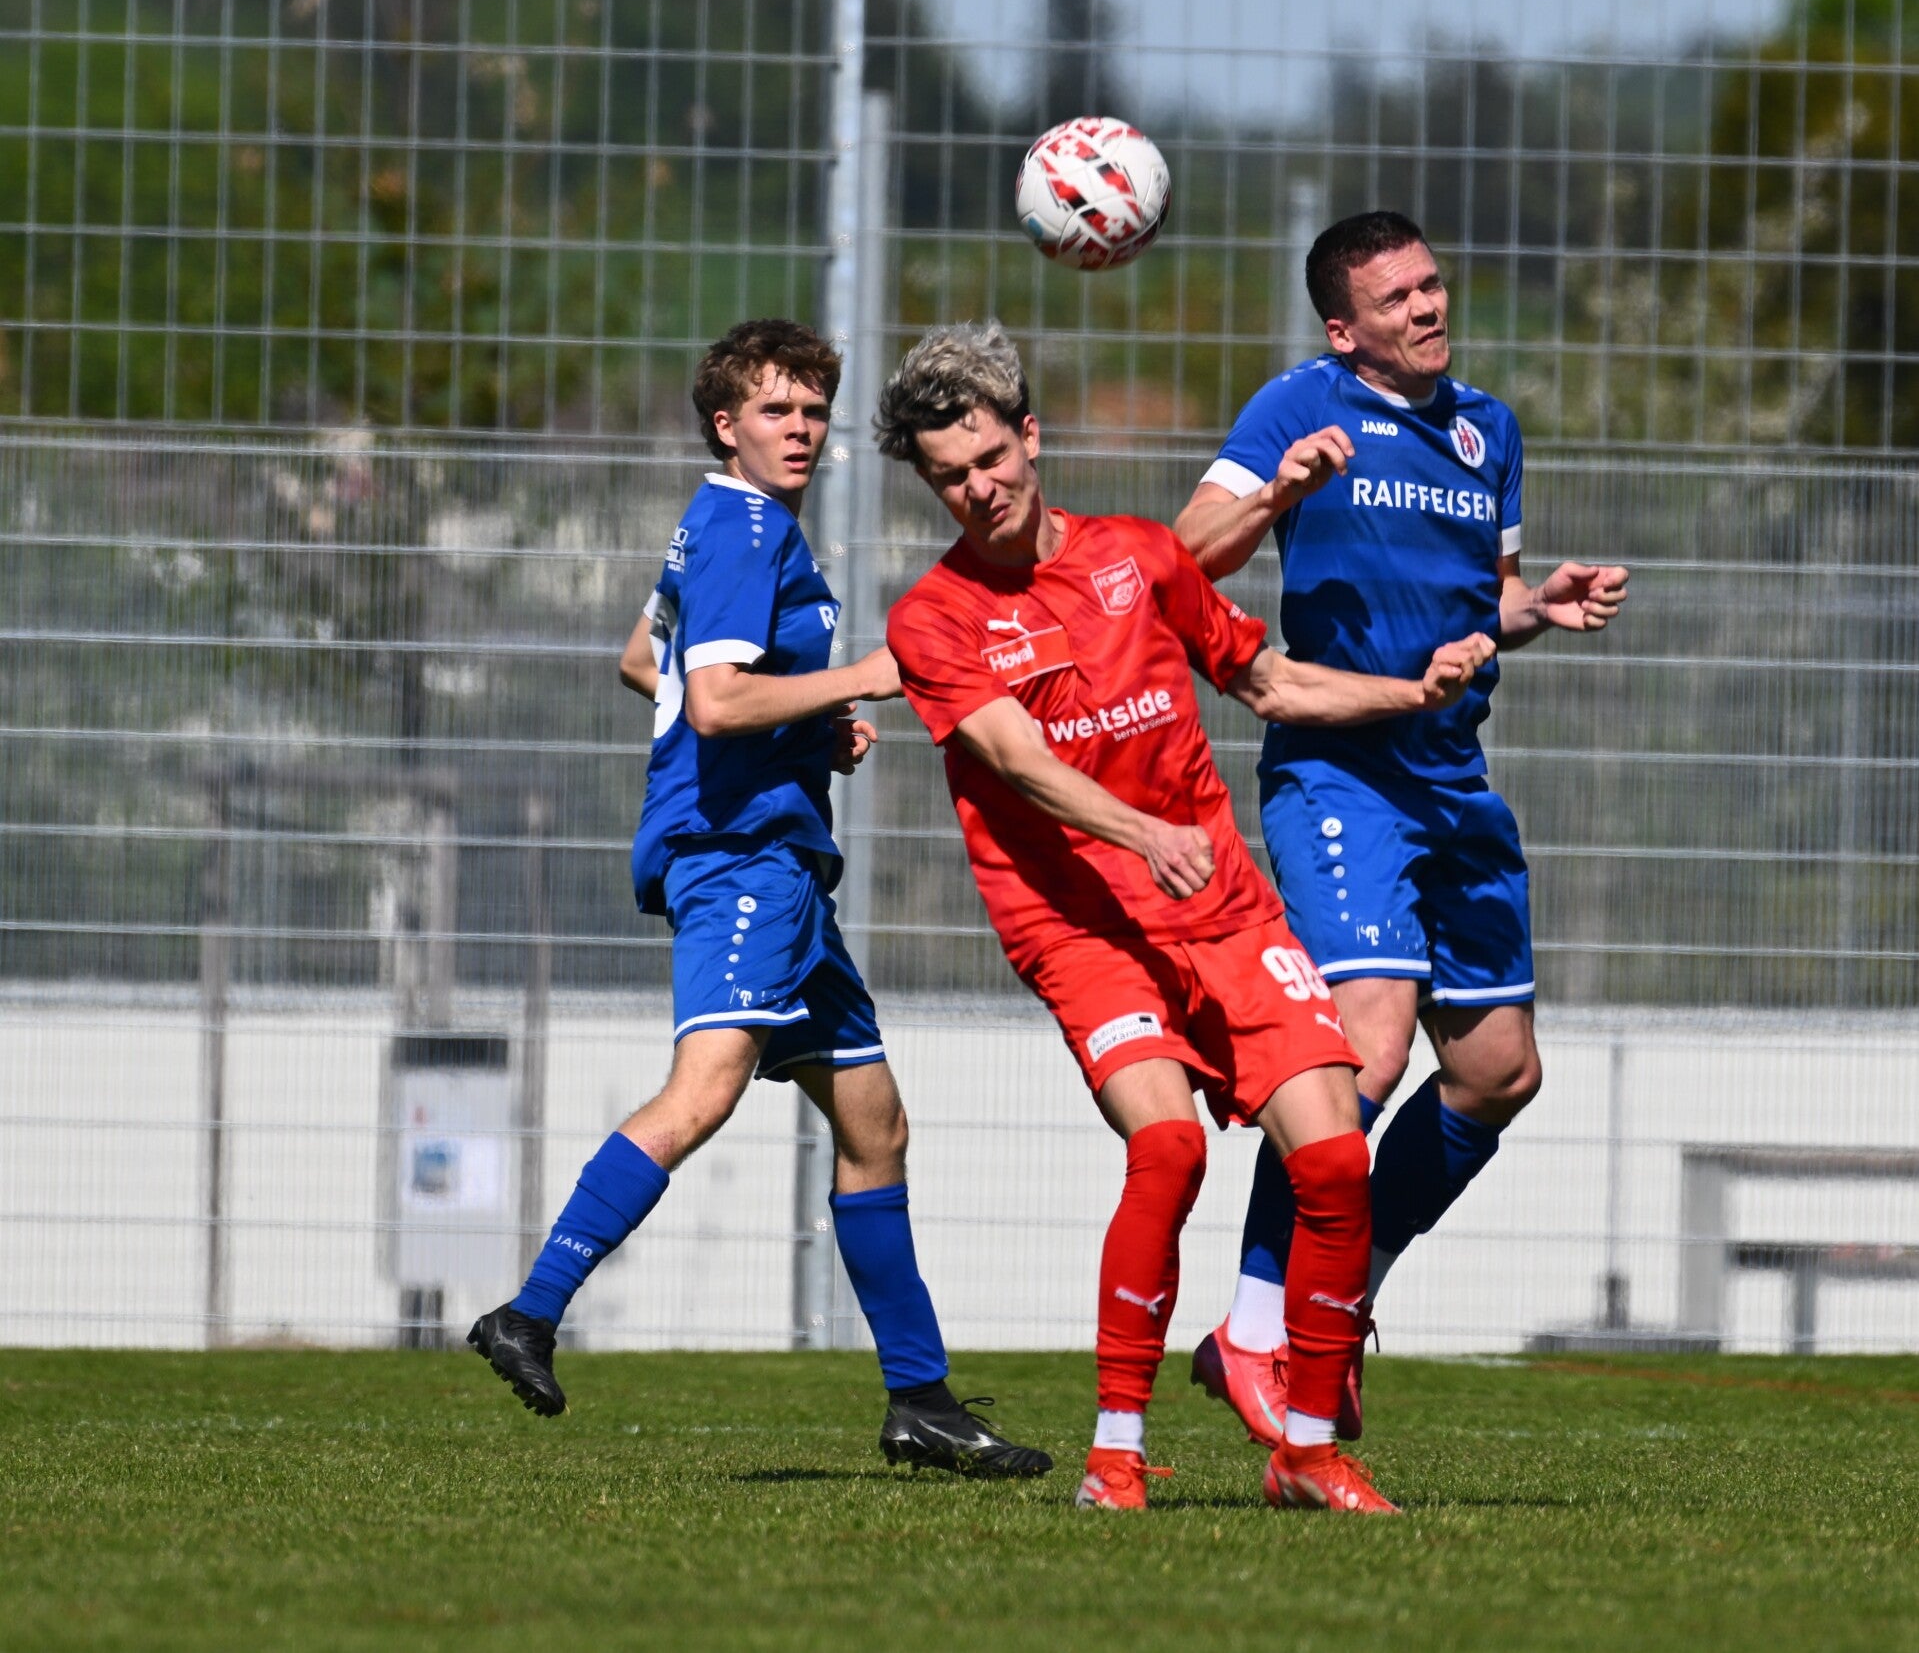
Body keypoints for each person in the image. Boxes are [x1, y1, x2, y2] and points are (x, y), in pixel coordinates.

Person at [875, 321, 1496, 1514]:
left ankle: (1304, 1453)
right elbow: (1016, 763)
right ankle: (1115, 1454)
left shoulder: (1140, 557)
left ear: (1029, 437)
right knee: (1166, 1149)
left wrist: (1408, 694)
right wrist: (1141, 832)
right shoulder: (933, 620)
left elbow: (1267, 682)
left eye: (990, 458)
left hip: (1217, 906)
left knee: (1333, 1156)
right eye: (949, 476)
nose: (978, 487)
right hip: (1079, 928)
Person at [469, 318, 1051, 1481]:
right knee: (703, 1091)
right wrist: (865, 676)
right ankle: (530, 1310)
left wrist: (810, 720)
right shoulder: (743, 529)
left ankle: (920, 1401)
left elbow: (645, 661)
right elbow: (715, 702)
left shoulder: (720, 523)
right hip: (741, 855)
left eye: (813, 410)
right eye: (774, 410)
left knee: (874, 1125)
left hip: (777, 859)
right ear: (724, 424)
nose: (800, 429)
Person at [1174, 211, 1628, 1448]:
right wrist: (1280, 491)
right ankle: (1255, 1326)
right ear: (1343, 329)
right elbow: (1180, 559)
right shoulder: (1296, 407)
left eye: (1431, 285)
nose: (1427, 309)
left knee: (1496, 1070)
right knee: (1362, 1048)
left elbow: (1485, 599)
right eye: (1395, 299)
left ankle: (1341, 1293)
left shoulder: (1486, 430)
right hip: (1341, 774)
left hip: (1452, 778)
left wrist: (1538, 605)